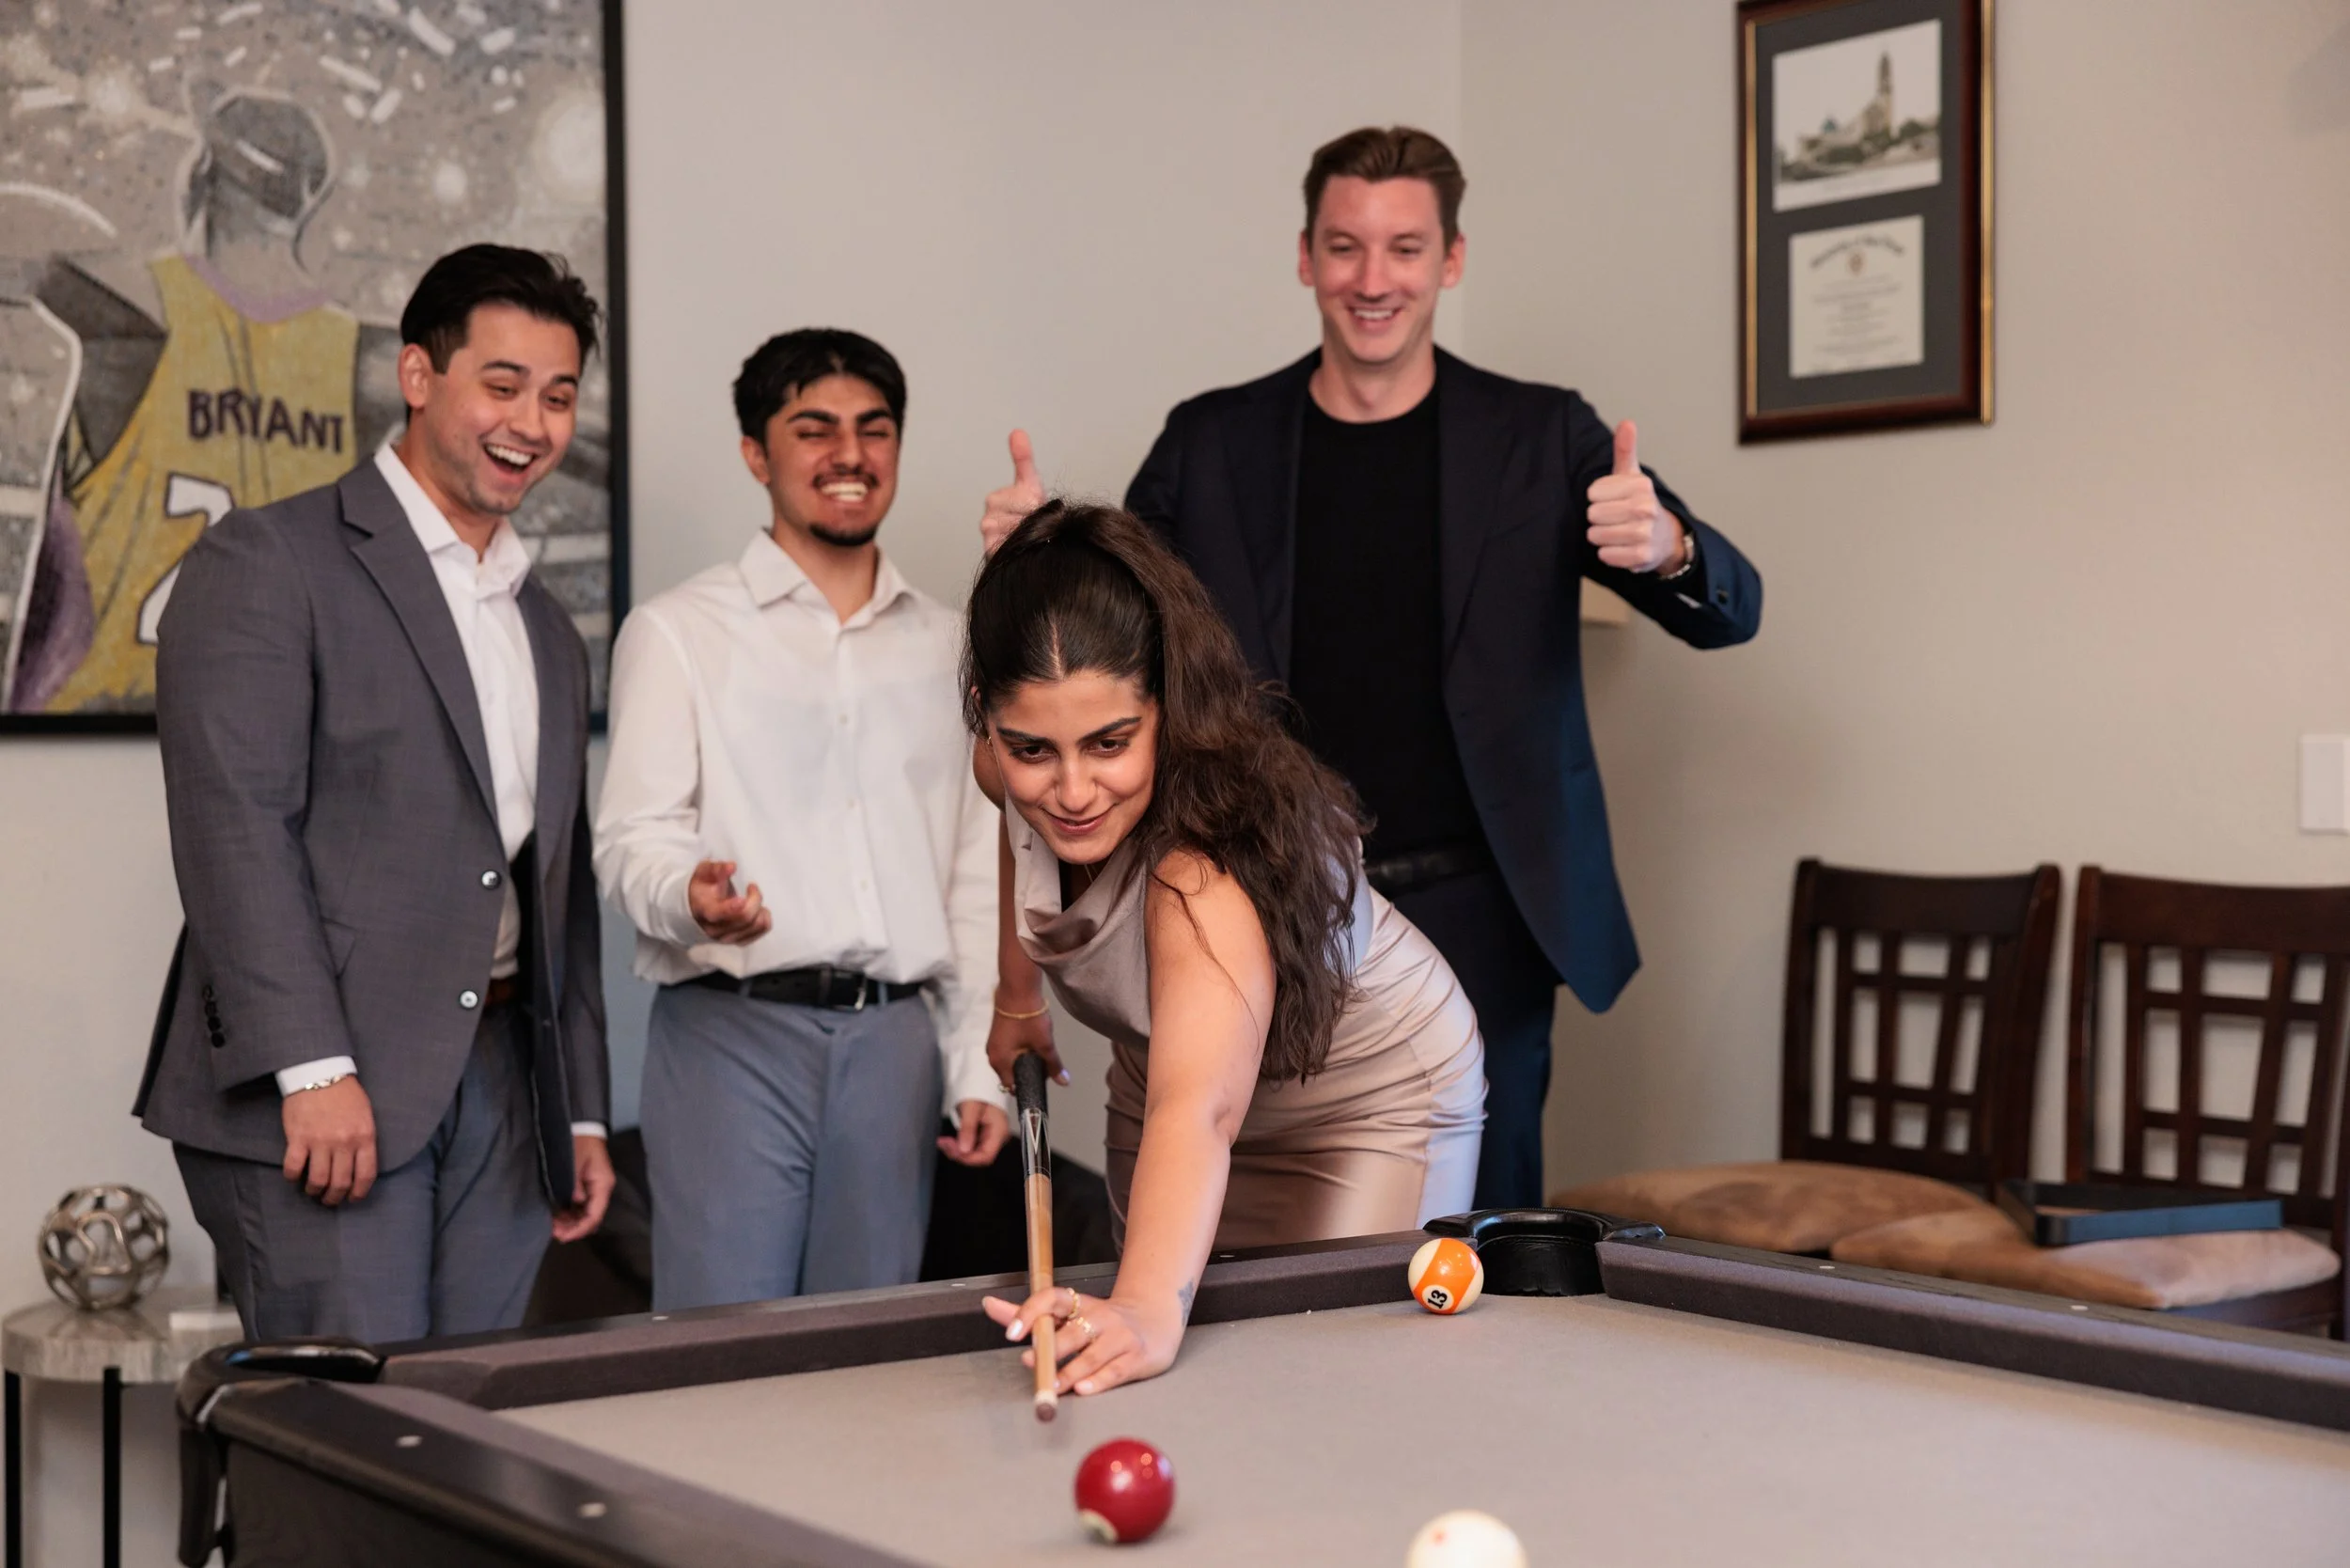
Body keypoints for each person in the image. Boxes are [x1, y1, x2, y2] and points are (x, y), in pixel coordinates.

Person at [979, 126, 1762, 1209]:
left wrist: (1670, 547)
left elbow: (1732, 615)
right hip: (1263, 891)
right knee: (1252, 1212)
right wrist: (1043, 552)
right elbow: (1115, 619)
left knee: (1474, 1236)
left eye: (1403, 249)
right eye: (1345, 248)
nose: (1372, 279)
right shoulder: (1211, 443)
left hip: (1486, 903)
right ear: (1305, 257)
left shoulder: (1541, 436)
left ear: (1450, 258)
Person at [138, 244, 615, 1341]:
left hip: (502, 1089)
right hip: (326, 1086)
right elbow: (235, 830)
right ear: (416, 376)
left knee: (468, 1440)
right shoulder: (269, 561)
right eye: (501, 385)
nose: (531, 424)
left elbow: (556, 888)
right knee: (345, 1453)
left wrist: (577, 1105)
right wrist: (312, 1068)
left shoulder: (545, 625)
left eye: (556, 396)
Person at [970, 501, 1483, 1398]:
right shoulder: (1008, 772)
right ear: (990, 723)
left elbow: (1199, 1111)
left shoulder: (1202, 878)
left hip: (1361, 1096)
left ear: (1169, 704)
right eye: (1033, 749)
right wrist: (1019, 1000)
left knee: (1342, 1385)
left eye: (1111, 742)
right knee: (1156, 1381)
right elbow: (1019, 838)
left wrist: (1145, 1309)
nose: (1073, 789)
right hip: (1167, 1076)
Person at [595, 329, 1007, 1311]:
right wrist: (691, 901)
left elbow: (973, 874)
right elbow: (630, 844)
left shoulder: (954, 644)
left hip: (895, 1045)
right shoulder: (677, 632)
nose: (849, 454)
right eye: (812, 428)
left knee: (866, 1355)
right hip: (732, 1032)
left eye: (873, 429)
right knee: (721, 1353)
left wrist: (976, 1063)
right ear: (756, 454)